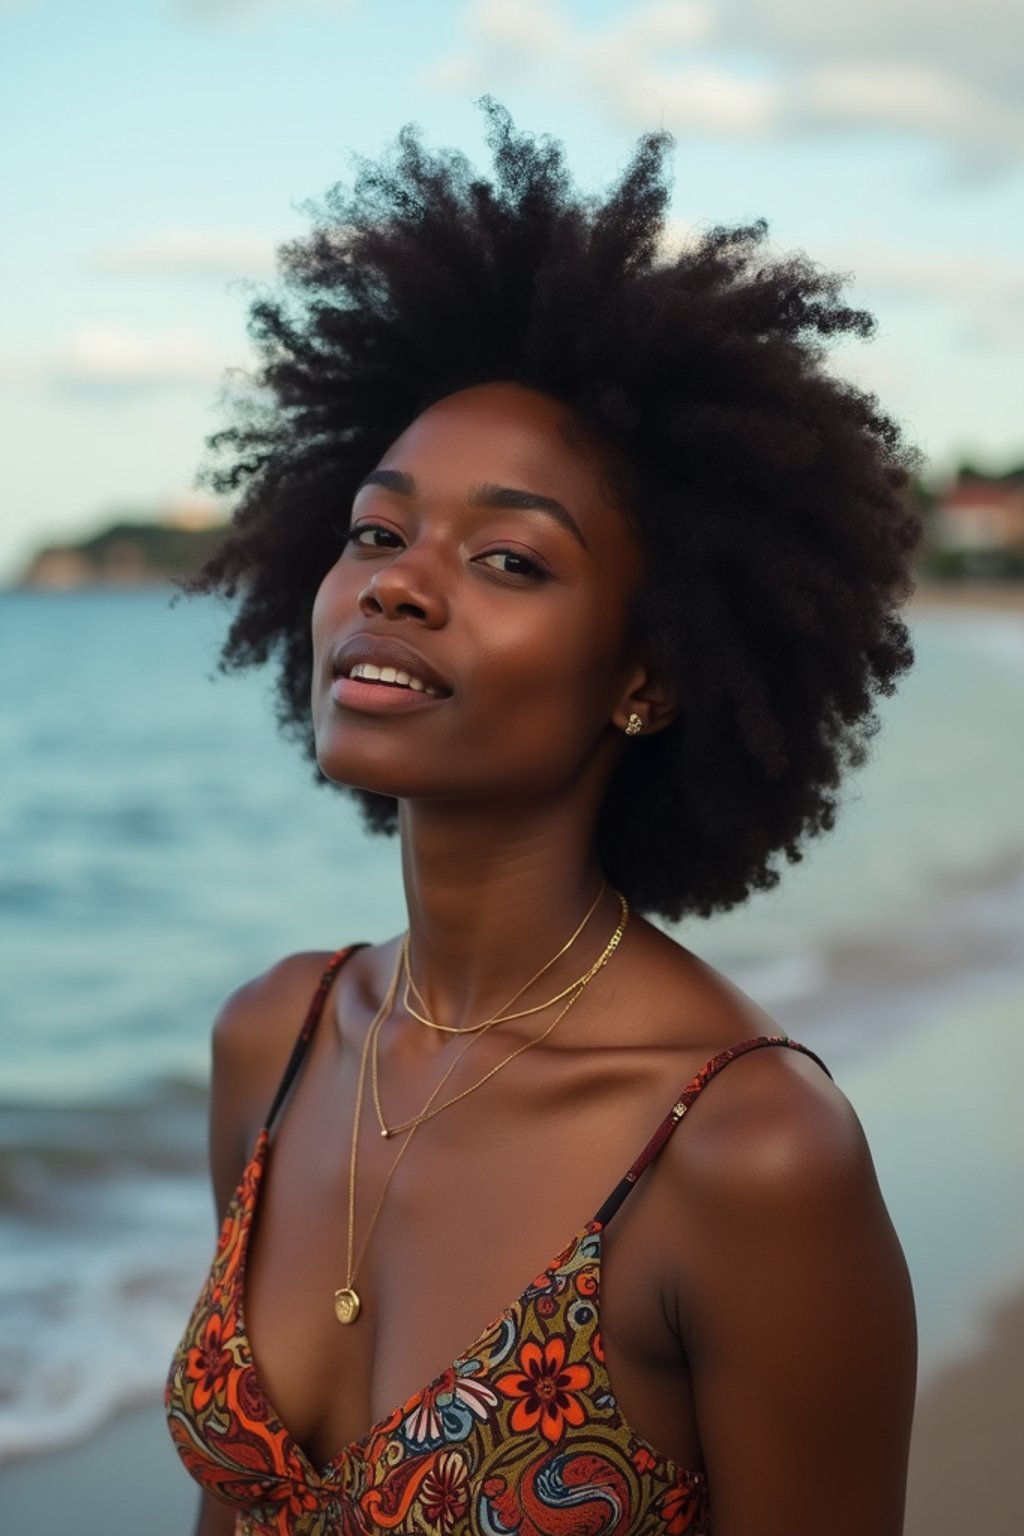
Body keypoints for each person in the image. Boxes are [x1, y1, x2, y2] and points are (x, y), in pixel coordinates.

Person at [165, 103, 919, 1536]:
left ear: (644, 674)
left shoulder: (746, 1152)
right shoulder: (275, 1042)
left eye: (508, 556)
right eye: (378, 532)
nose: (394, 584)